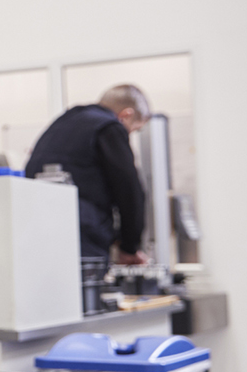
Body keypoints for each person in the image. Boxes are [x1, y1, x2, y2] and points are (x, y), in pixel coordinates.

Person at [24, 84, 151, 264]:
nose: (129, 133)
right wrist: (129, 247)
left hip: (38, 229)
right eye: (134, 128)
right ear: (126, 115)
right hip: (83, 234)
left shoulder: (64, 121)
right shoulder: (109, 127)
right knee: (86, 288)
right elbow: (129, 190)